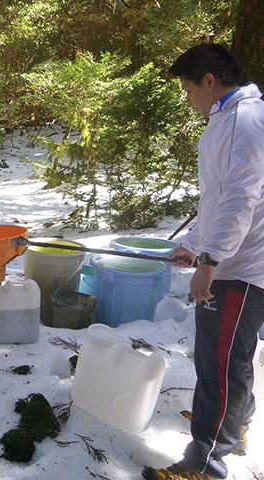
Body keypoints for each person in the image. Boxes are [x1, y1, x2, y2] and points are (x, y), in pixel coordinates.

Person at [142, 44, 264, 480]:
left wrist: (210, 261)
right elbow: (215, 200)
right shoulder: (228, 117)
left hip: (240, 267)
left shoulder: (246, 120)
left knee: (217, 363)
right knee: (233, 357)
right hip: (232, 259)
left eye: (189, 89)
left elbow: (240, 199)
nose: (188, 98)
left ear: (210, 81)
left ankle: (204, 464)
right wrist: (193, 244)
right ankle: (236, 424)